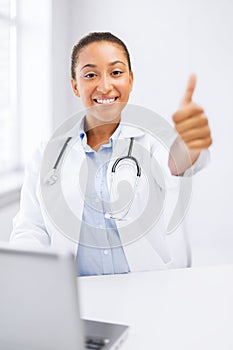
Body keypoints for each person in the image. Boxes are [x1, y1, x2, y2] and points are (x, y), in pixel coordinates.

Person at [10, 32, 212, 276]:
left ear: (130, 79)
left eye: (116, 72)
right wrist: (28, 278)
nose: (105, 86)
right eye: (90, 75)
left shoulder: (152, 141)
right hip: (76, 294)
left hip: (148, 288)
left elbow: (176, 164)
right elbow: (30, 228)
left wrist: (190, 144)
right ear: (75, 85)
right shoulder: (47, 153)